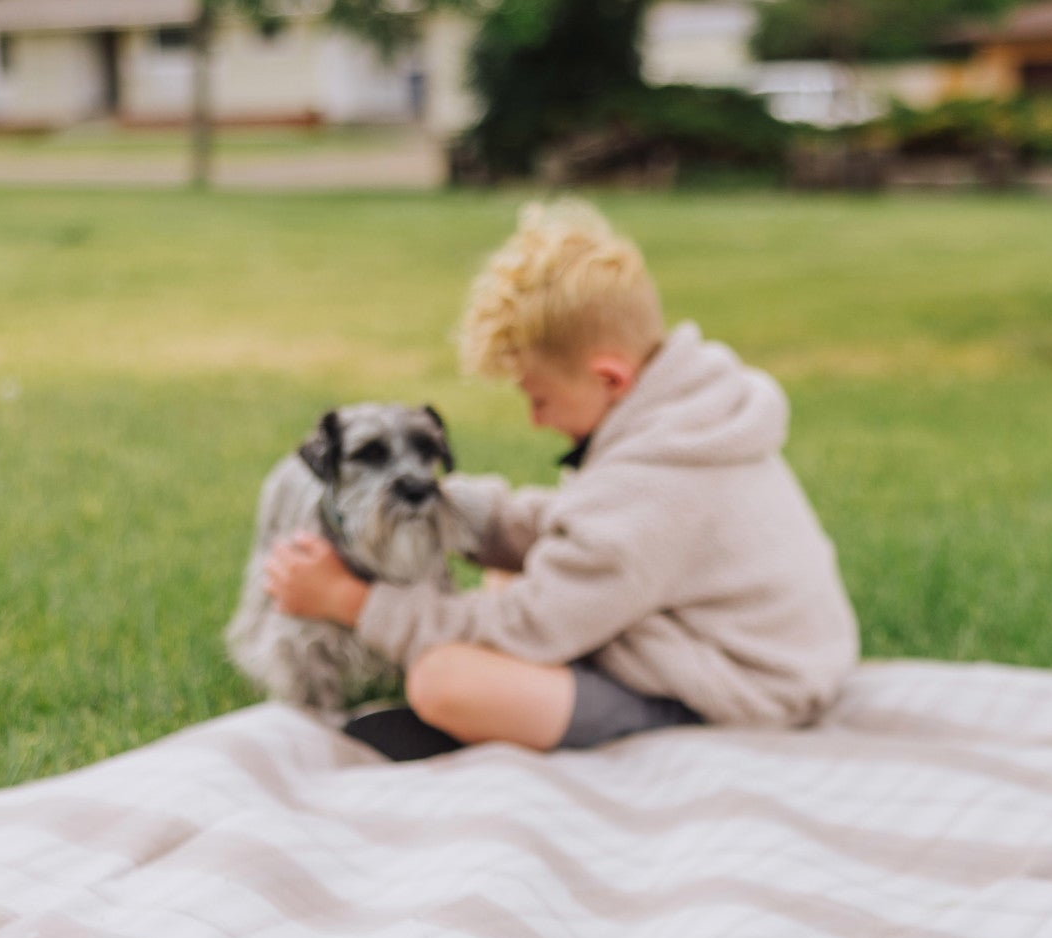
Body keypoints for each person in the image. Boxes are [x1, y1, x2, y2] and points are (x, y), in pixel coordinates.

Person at [262, 199, 857, 758]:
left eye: (539, 396)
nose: (534, 417)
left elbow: (523, 628)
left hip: (744, 696)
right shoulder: (687, 419)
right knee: (508, 572)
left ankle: (528, 728)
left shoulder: (655, 485)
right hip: (747, 648)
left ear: (609, 378)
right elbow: (584, 528)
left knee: (444, 680)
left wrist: (352, 602)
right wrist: (477, 512)